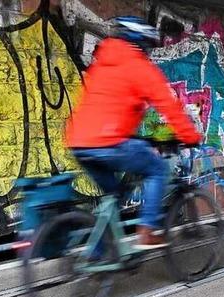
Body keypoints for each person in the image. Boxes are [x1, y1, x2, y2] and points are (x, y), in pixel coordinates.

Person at [65, 16, 201, 249]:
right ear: (141, 42)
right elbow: (168, 105)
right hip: (109, 142)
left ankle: (95, 257)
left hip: (79, 143)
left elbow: (107, 108)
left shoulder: (101, 64)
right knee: (157, 169)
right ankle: (147, 231)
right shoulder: (138, 65)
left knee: (114, 196)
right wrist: (190, 136)